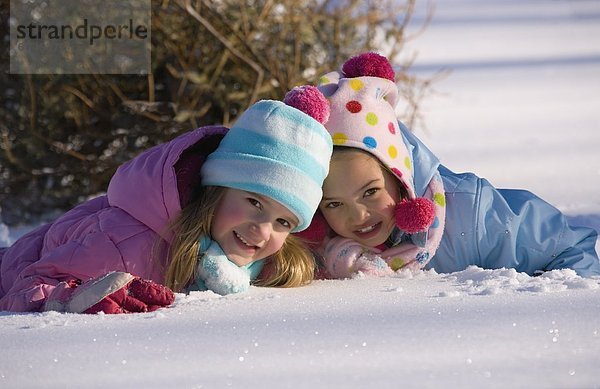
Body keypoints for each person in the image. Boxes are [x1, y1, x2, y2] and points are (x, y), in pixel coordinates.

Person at [0, 85, 333, 313]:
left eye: (283, 221)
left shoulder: (245, 249)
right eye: (254, 202)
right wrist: (84, 298)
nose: (263, 231)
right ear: (214, 190)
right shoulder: (129, 247)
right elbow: (25, 290)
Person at [298, 52, 600, 279]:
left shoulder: (471, 213)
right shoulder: (320, 245)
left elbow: (567, 249)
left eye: (370, 192)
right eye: (335, 203)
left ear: (399, 175)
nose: (358, 215)